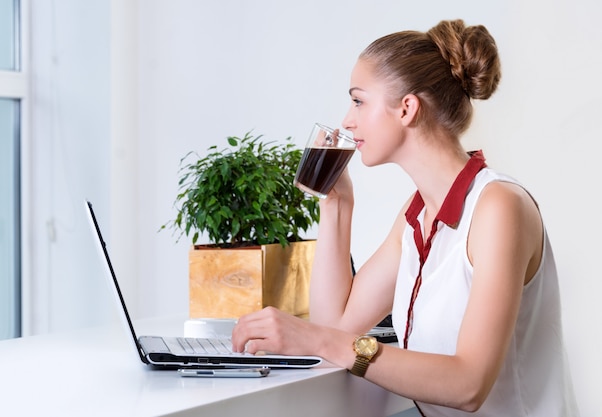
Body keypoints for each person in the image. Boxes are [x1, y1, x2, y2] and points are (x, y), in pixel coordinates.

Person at [231, 19, 579, 416]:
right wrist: (336, 207)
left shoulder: (499, 208)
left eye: (359, 101)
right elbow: (339, 326)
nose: (347, 119)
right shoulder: (416, 217)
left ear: (407, 108)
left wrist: (316, 341)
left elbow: (468, 385)